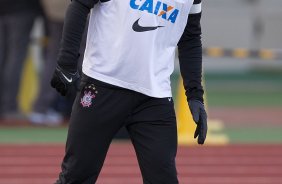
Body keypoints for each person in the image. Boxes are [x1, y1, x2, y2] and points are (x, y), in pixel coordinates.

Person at [51, 0, 207, 183]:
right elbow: (79, 5)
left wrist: (195, 95)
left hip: (155, 98)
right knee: (76, 177)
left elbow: (190, 37)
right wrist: (66, 63)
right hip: (102, 86)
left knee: (164, 179)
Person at [0, 0, 42, 120]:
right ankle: (9, 107)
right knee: (15, 59)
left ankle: (7, 106)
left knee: (6, 58)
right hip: (22, 9)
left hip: (7, 9)